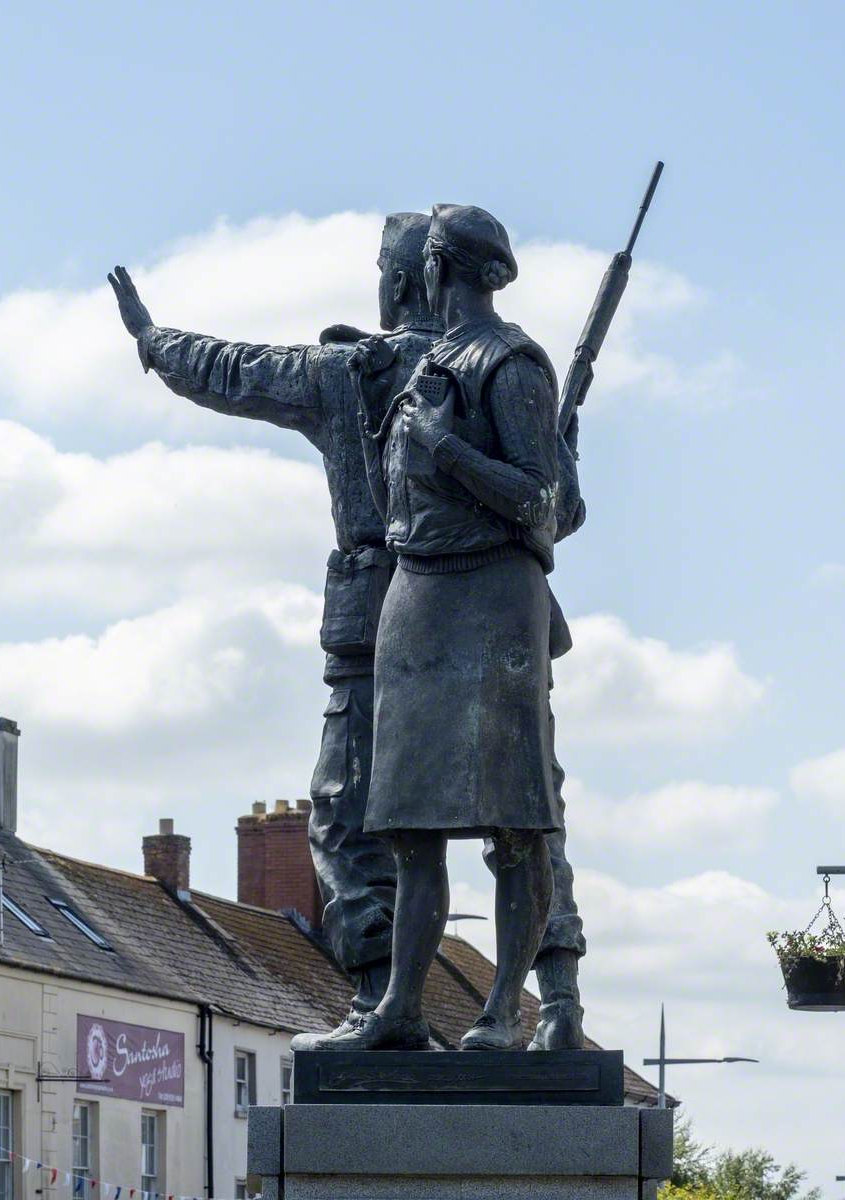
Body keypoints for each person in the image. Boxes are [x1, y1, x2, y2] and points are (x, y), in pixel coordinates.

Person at [108, 215, 442, 1040]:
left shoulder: (345, 374)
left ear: (397, 284)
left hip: (372, 624)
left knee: (345, 813)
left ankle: (376, 998)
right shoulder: (491, 366)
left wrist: (153, 340)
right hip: (479, 612)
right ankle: (551, 996)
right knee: (521, 817)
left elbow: (231, 370)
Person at [324, 204, 583, 1051]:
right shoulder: (421, 364)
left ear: (436, 269)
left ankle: (505, 1012)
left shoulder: (511, 364)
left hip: (492, 595)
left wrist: (448, 452)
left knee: (515, 820)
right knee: (407, 824)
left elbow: (544, 501)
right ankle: (400, 1009)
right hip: (417, 596)